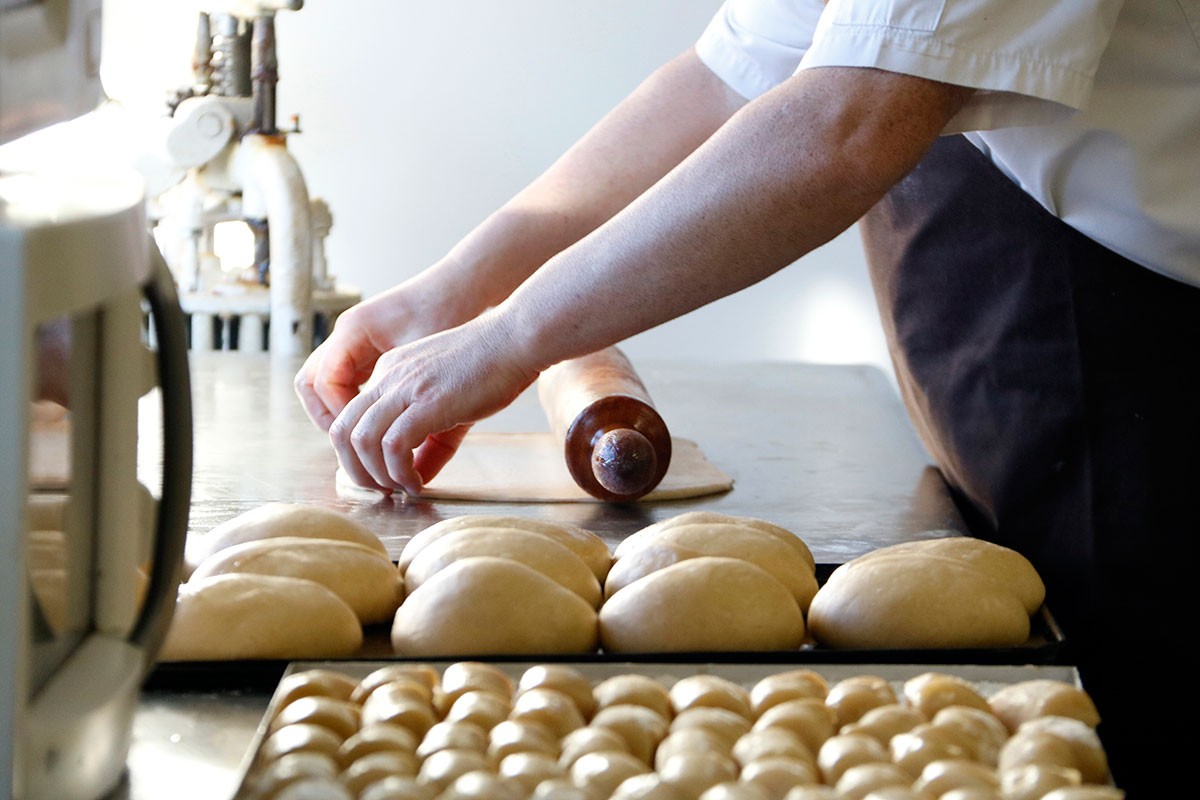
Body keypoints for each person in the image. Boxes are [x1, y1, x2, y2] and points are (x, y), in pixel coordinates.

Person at [296, 2, 1197, 794]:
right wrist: (455, 289)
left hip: (1156, 378)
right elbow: (734, 75)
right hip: (1020, 376)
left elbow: (855, 119)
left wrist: (513, 336)